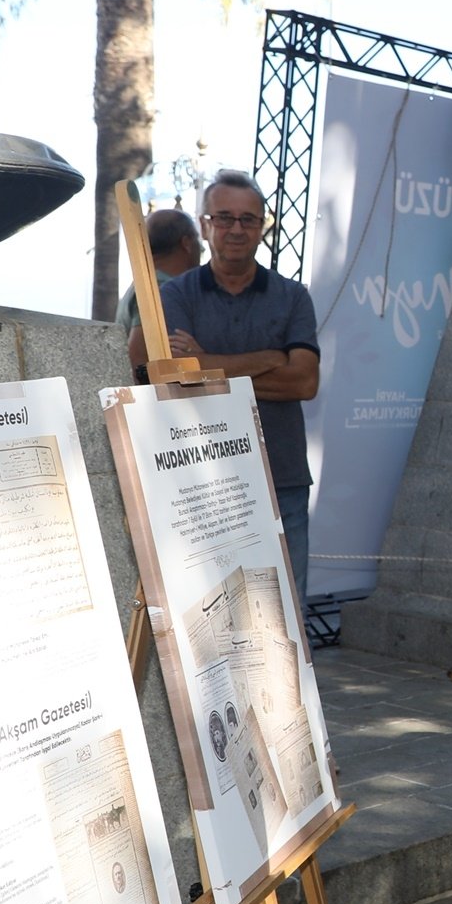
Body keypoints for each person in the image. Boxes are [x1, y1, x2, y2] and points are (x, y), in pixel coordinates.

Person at [131, 171, 321, 595]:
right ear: (205, 226)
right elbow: (176, 375)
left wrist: (206, 365)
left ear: (262, 227)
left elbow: (305, 382)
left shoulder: (293, 297)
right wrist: (270, 359)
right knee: (212, 609)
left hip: (282, 479)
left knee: (288, 608)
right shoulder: (175, 295)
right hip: (205, 480)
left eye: (248, 219)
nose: (236, 229)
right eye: (224, 217)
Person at [118, 206, 201, 343]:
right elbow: (138, 351)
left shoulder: (146, 284)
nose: (201, 248)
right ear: (186, 243)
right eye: (197, 239)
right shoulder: (159, 289)